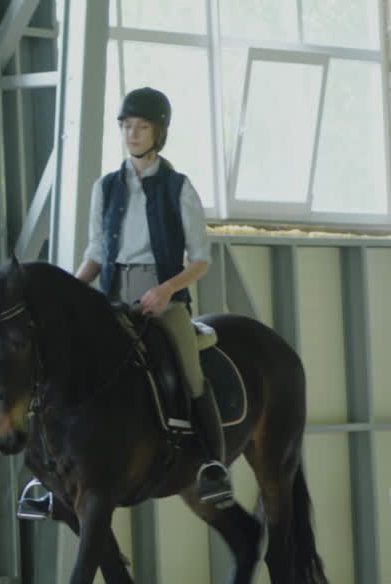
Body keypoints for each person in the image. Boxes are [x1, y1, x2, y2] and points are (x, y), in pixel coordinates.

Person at [19, 86, 234, 518]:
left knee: (189, 373)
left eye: (141, 127)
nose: (132, 134)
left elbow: (201, 259)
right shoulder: (106, 188)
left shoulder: (178, 187)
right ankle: (46, 476)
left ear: (159, 133)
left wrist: (167, 289)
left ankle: (212, 464)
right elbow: (96, 253)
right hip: (112, 297)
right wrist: (72, 292)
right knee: (59, 368)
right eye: (126, 127)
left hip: (162, 297)